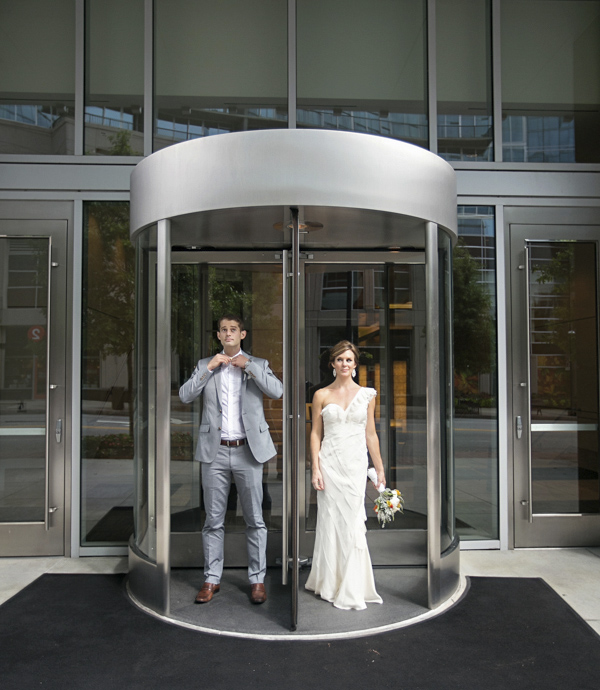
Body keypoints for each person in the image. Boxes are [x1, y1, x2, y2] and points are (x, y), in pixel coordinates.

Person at [179, 314, 283, 605]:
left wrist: (248, 365)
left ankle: (257, 580)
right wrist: (209, 369)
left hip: (248, 452)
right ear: (218, 335)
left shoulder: (258, 364)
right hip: (214, 451)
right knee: (213, 520)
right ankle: (212, 579)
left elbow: (277, 391)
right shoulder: (205, 365)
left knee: (255, 518)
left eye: (233, 329)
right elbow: (185, 395)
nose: (228, 333)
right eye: (223, 330)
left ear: (242, 334)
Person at [305, 340, 386, 610]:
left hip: (354, 466)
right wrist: (315, 467)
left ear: (355, 364)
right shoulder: (321, 395)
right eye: (339, 359)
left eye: (349, 359)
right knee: (329, 522)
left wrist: (380, 468)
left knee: (352, 523)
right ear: (332, 364)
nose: (344, 364)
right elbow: (316, 434)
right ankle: (329, 583)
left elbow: (370, 434)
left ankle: (353, 586)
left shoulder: (367, 395)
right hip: (329, 464)